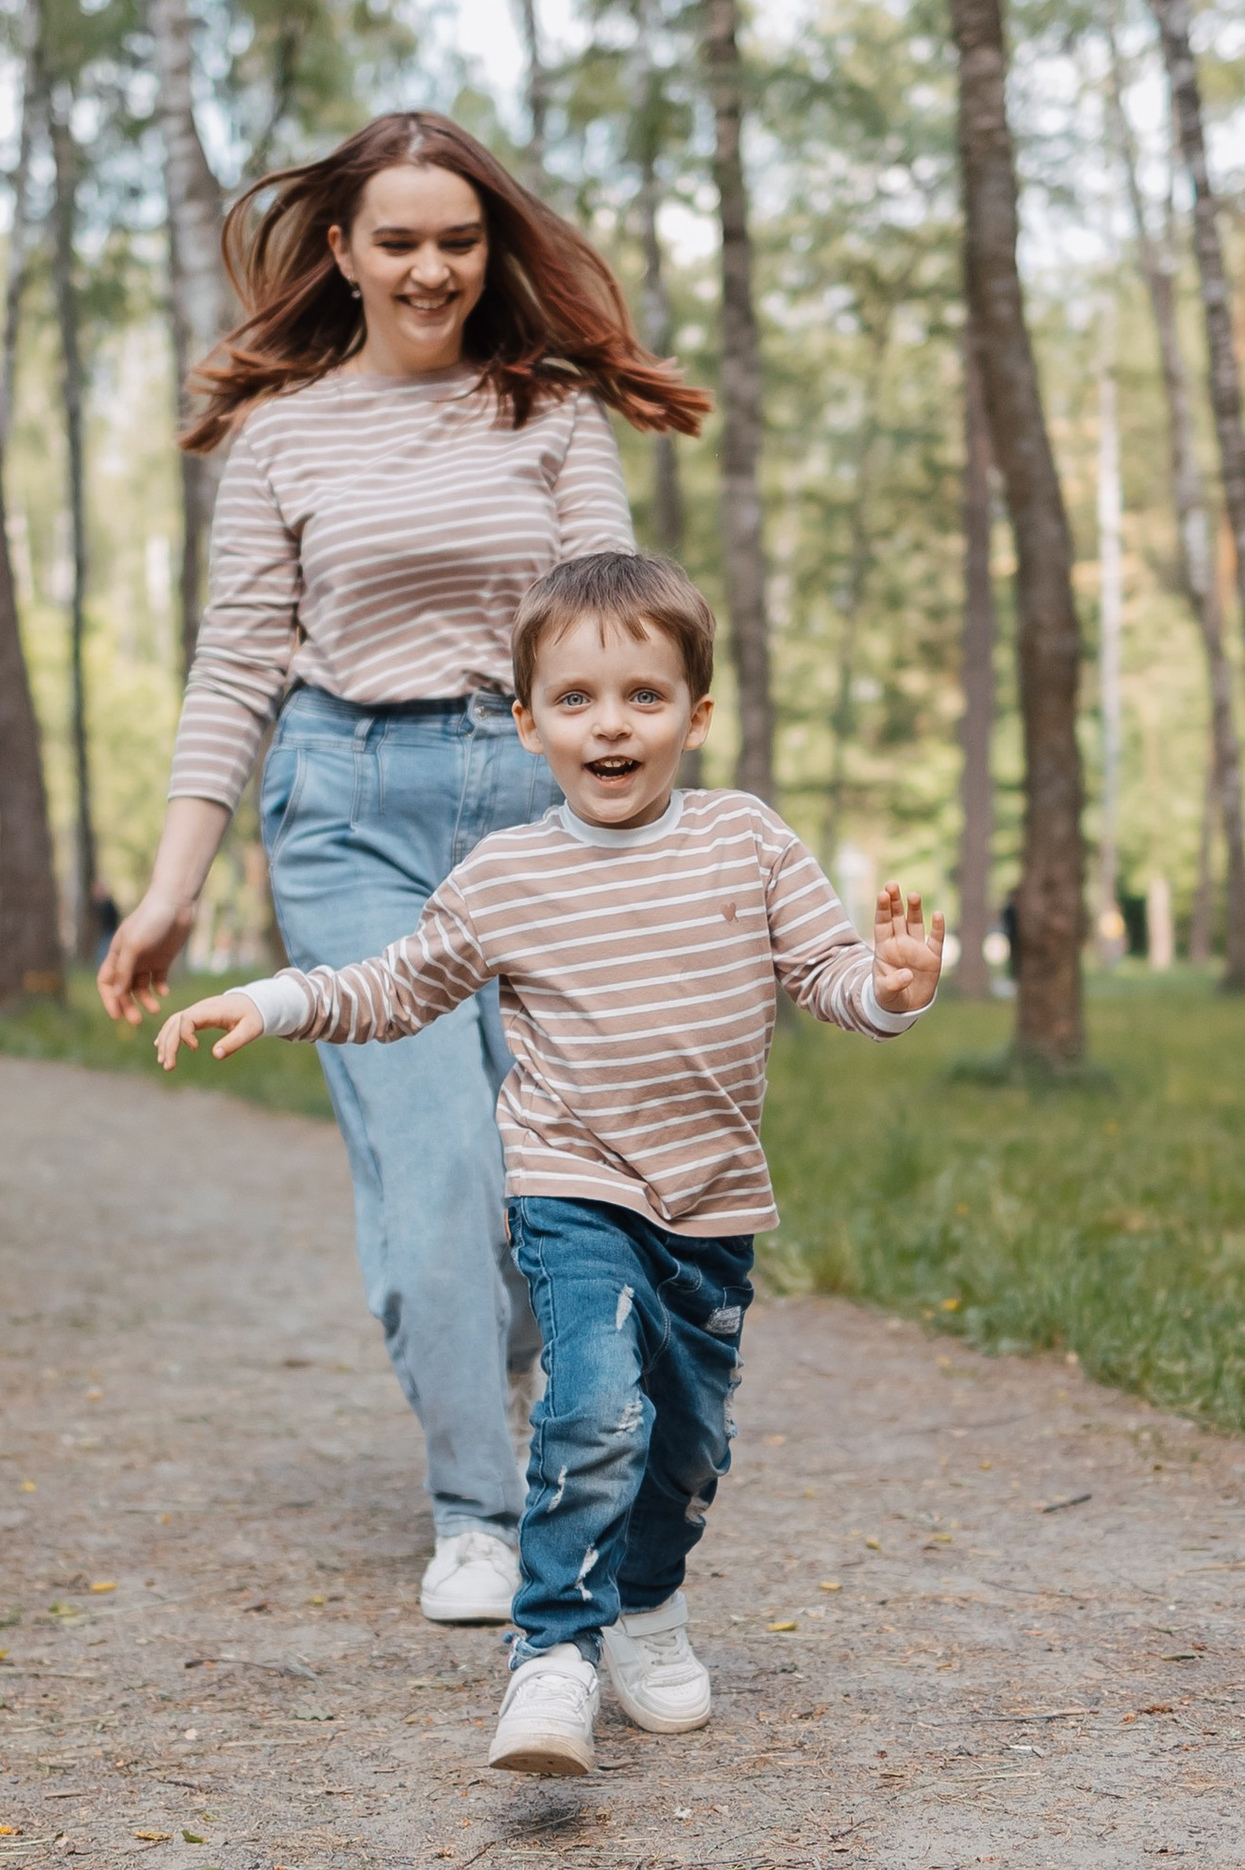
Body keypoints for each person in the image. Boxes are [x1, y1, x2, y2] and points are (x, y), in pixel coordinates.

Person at [156, 550, 947, 1778]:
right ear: (526, 725)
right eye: (575, 700)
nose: (611, 724)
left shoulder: (747, 841)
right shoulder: (508, 875)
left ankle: (643, 1600)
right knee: (590, 1409)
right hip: (573, 1190)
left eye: (643, 694)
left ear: (697, 712)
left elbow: (827, 977)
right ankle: (553, 1657)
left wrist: (890, 991)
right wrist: (279, 997)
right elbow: (397, 983)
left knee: (688, 1444)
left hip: (710, 1204)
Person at [99, 116, 707, 1628]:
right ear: (343, 256)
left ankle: (490, 1349)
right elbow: (236, 664)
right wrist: (175, 884)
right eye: (400, 241)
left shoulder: (552, 415)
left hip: (529, 803)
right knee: (434, 1165)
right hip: (348, 810)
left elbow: (603, 634)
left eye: (459, 240)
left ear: (487, 250)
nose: (432, 268)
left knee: (543, 1174)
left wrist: (639, 825)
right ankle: (475, 1513)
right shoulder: (284, 436)